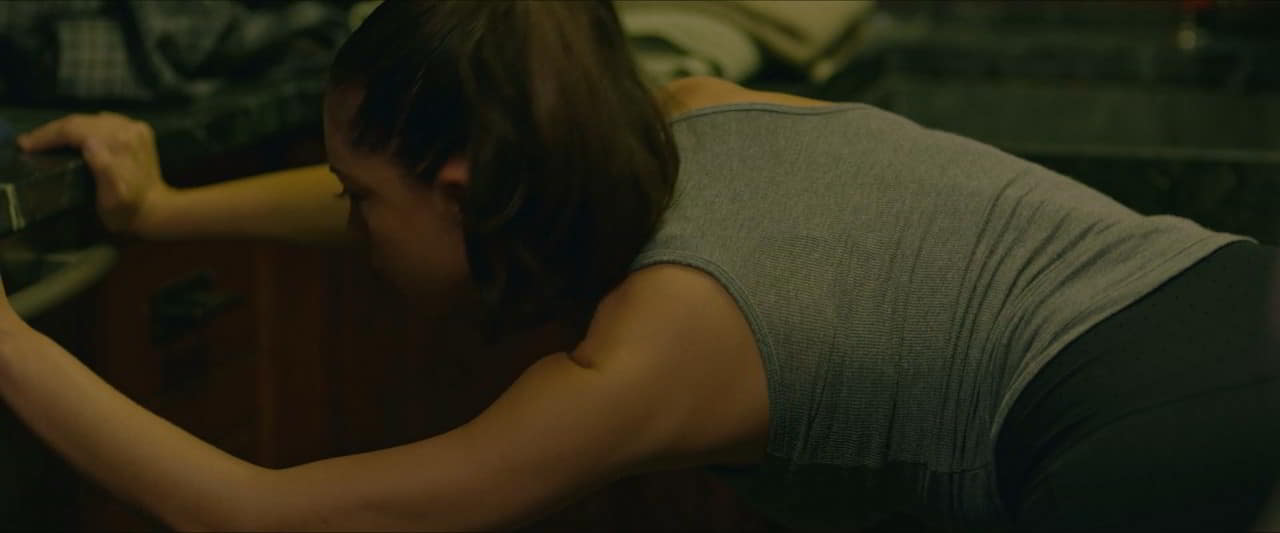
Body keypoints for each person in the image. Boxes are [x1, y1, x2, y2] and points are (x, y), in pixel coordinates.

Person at [3, 1, 1279, 531]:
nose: (351, 215)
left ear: (461, 187)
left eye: (360, 197)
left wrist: (7, 342)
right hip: (1238, 296)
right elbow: (394, 196)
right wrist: (165, 210)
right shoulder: (689, 111)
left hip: (1154, 441)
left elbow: (258, 512)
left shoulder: (651, 347)